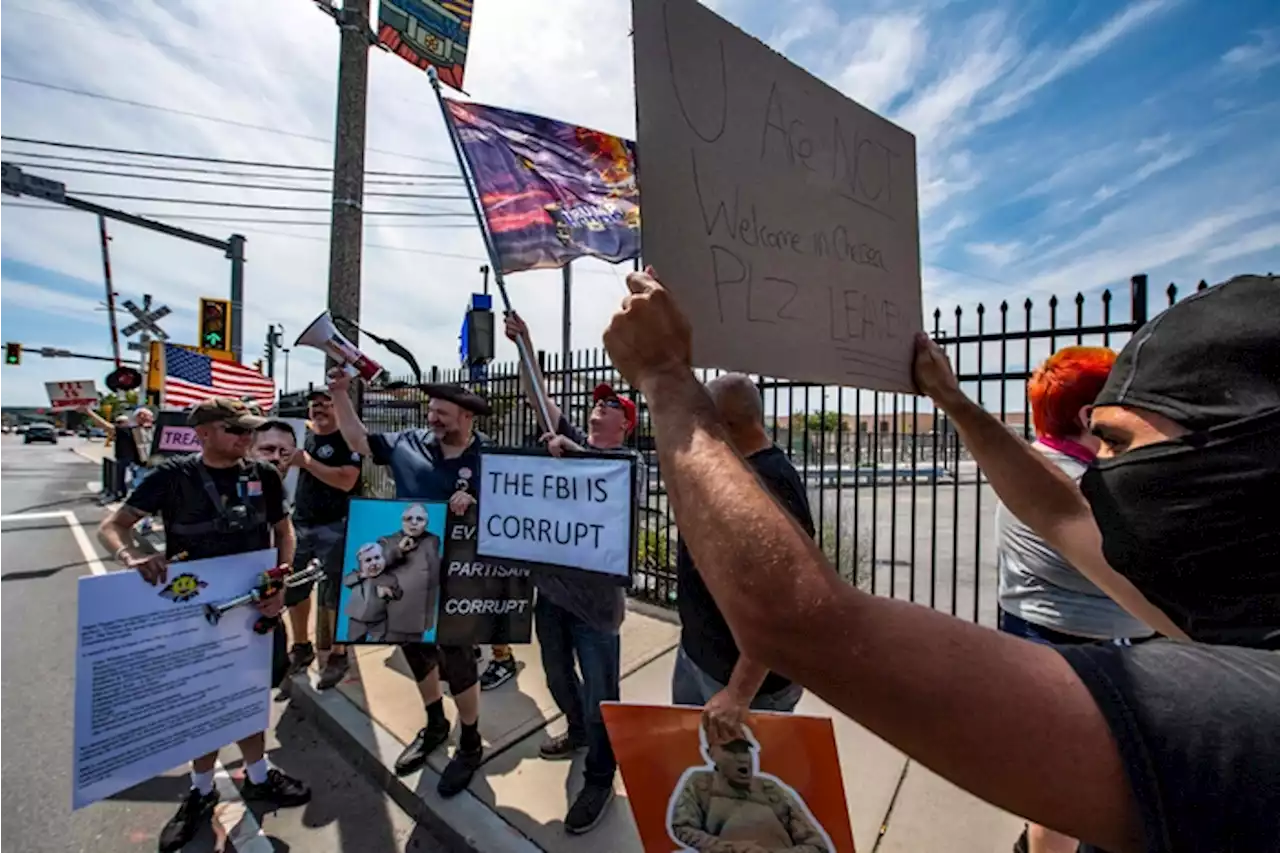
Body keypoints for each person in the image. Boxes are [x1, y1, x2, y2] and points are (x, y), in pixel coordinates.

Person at [603, 268, 1280, 853]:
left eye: (1114, 443)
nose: (1096, 472)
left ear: (1236, 460)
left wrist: (665, 377)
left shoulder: (1237, 713)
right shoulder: (1237, 599)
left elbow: (804, 626)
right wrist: (953, 401)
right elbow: (1063, 514)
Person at [96, 398, 310, 852]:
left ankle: (257, 775)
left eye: (248, 431)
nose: (246, 439)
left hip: (255, 605)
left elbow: (283, 531)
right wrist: (131, 555)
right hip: (194, 608)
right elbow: (114, 526)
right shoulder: (172, 477)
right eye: (236, 431)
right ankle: (200, 790)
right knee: (203, 699)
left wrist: (280, 579)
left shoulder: (264, 475)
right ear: (204, 434)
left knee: (251, 692)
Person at [997, 348, 1152, 853]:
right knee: (1065, 793)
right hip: (1085, 649)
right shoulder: (1091, 486)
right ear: (1090, 416)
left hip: (1034, 635)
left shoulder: (1027, 463)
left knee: (1051, 780)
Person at [506, 310, 645, 834]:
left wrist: (577, 455)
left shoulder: (633, 461)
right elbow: (538, 399)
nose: (596, 410)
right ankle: (577, 731)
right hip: (552, 593)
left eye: (609, 406)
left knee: (601, 692)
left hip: (597, 607)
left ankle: (599, 777)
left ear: (625, 423)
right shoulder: (567, 436)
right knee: (559, 676)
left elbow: (612, 481)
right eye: (596, 403)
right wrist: (526, 342)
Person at [329, 372, 490, 798]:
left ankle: (470, 740)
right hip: (407, 572)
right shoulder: (407, 443)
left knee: (458, 658)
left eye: (442, 412)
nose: (432, 418)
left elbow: (512, 509)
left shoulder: (490, 456)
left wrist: (476, 504)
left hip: (461, 576)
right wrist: (340, 393)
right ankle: (435, 721)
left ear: (467, 415)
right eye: (430, 410)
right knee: (414, 647)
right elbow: (360, 441)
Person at [672, 374, 814, 742]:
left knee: (737, 790)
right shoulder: (735, 467)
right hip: (698, 655)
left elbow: (782, 605)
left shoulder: (772, 487)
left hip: (742, 686)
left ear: (725, 425)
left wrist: (739, 693)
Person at [280, 390, 362, 688]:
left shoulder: (348, 440)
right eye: (315, 405)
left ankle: (338, 654)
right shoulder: (301, 436)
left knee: (335, 592)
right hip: (300, 522)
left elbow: (346, 480)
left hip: (336, 524)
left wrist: (308, 462)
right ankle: (301, 646)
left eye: (327, 404)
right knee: (296, 588)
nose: (320, 409)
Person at [668, 722, 832, 853]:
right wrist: (731, 849)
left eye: (745, 751)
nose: (742, 759)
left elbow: (817, 846)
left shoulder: (771, 790)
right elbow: (683, 827)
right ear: (711, 754)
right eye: (731, 751)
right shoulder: (701, 784)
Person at [378, 503, 443, 642]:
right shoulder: (388, 541)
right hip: (395, 616)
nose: (414, 523)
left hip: (420, 617)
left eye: (419, 519)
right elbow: (376, 565)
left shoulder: (433, 541)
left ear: (426, 523)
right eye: (409, 519)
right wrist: (398, 550)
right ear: (402, 521)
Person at [345, 542, 400, 641]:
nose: (374, 563)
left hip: (379, 618)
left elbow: (398, 593)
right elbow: (346, 581)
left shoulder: (388, 578)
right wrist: (361, 576)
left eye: (377, 558)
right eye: (368, 560)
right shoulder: (357, 575)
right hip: (357, 618)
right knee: (354, 639)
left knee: (379, 638)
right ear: (361, 565)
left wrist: (389, 592)